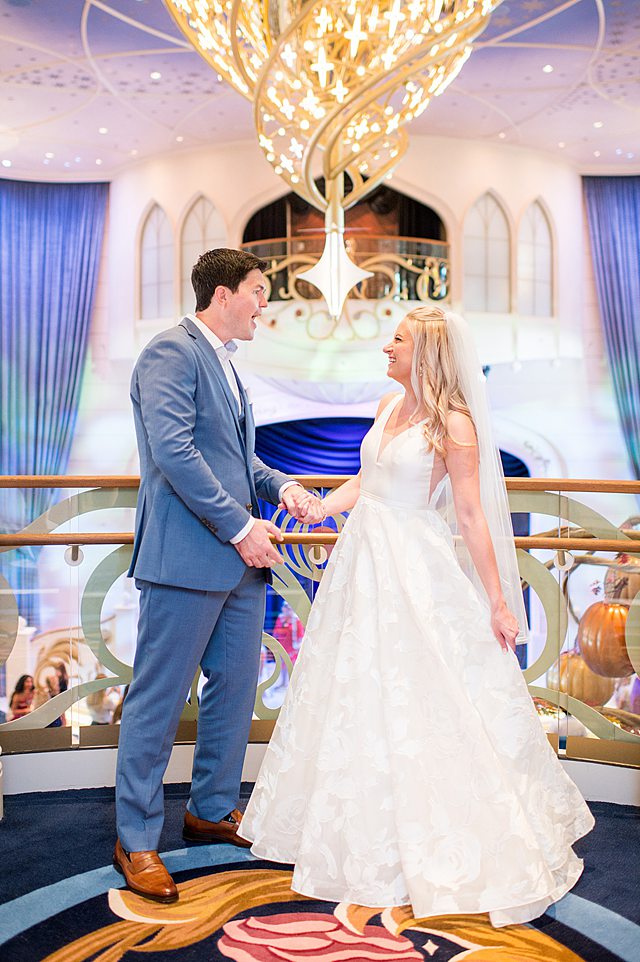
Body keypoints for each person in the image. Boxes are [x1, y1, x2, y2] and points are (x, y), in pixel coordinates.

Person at [239, 305, 595, 928]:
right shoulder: (385, 407)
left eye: (397, 340)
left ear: (426, 353)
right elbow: (364, 479)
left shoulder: (454, 425)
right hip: (361, 562)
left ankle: (444, 839)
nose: (386, 347)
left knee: (422, 693)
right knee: (355, 688)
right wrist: (320, 510)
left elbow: (471, 516)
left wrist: (498, 600)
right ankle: (356, 834)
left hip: (414, 567)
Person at [114, 248, 315, 904]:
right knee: (159, 698)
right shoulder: (170, 352)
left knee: (233, 692)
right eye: (259, 292)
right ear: (224, 294)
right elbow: (174, 452)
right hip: (186, 558)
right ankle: (136, 839)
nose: (265, 305)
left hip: (237, 566)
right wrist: (240, 527)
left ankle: (210, 809)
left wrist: (280, 483)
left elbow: (236, 461)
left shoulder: (226, 365)